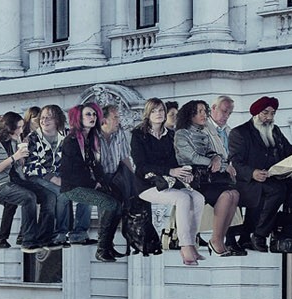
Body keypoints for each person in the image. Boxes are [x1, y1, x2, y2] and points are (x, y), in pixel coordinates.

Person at [228, 96, 292, 253]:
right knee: (277, 190)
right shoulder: (240, 133)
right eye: (265, 113)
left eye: (272, 113)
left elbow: (289, 151)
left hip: (272, 179)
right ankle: (258, 235)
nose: (269, 118)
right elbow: (235, 163)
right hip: (248, 183)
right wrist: (253, 173)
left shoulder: (275, 131)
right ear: (256, 113)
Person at [132, 97, 207, 266]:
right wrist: (170, 171)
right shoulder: (138, 135)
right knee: (182, 199)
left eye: (161, 110)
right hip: (147, 184)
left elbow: (177, 161)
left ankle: (192, 242)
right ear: (148, 114)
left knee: (198, 198)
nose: (159, 114)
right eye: (154, 111)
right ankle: (185, 246)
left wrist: (186, 173)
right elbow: (142, 165)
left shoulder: (171, 136)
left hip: (170, 182)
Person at [174, 100, 244, 256]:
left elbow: (212, 153)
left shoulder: (202, 133)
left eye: (205, 111)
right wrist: (214, 162)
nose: (204, 115)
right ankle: (216, 240)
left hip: (208, 177)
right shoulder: (181, 134)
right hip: (192, 179)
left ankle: (220, 238)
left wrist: (217, 159)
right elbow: (192, 157)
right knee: (226, 195)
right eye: (200, 112)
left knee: (235, 194)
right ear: (190, 114)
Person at [0, 111, 50, 252]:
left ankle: (41, 235)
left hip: (15, 179)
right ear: (9, 127)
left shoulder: (13, 140)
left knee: (47, 194)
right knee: (28, 197)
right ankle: (28, 241)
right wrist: (13, 157)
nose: (22, 130)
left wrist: (22, 155)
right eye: (20, 127)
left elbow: (18, 166)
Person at [59, 104, 123, 261]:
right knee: (109, 204)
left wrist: (104, 183)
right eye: (88, 114)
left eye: (94, 114)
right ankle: (101, 250)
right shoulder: (72, 141)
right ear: (78, 118)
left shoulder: (91, 140)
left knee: (119, 203)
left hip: (87, 184)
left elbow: (96, 166)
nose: (92, 117)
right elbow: (72, 172)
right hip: (73, 187)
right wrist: (95, 184)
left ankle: (108, 246)